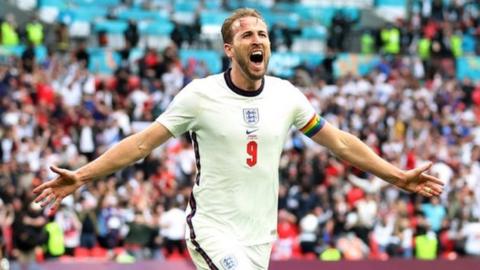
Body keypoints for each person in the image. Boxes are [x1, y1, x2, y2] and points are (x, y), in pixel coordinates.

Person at [33, 8, 444, 270]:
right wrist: (83, 176)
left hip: (259, 237)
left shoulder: (287, 95)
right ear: (230, 48)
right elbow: (142, 144)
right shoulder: (200, 95)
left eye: (263, 34)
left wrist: (396, 176)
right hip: (211, 229)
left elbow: (340, 143)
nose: (258, 41)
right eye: (248, 35)